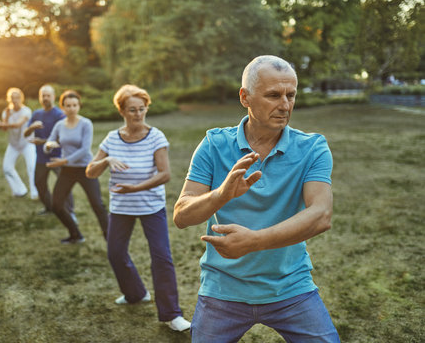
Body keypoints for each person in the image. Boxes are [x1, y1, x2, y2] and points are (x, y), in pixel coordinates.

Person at [173, 55, 340, 342]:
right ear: (245, 97)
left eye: (291, 95)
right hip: (223, 289)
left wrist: (254, 242)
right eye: (273, 95)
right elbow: (182, 215)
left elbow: (321, 215)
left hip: (290, 287)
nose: (285, 105)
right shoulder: (214, 144)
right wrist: (221, 194)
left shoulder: (312, 148)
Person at [86, 84, 191, 332]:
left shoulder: (156, 136)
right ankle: (135, 294)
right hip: (121, 207)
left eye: (142, 109)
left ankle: (172, 314)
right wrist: (106, 159)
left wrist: (136, 188)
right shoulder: (112, 138)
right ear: (122, 111)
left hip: (150, 206)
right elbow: (91, 171)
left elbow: (165, 174)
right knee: (115, 254)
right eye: (132, 110)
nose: (138, 114)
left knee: (161, 258)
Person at [44, 90, 108, 244]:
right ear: (63, 107)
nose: (71, 108)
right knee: (56, 205)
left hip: (86, 169)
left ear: (79, 106)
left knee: (97, 205)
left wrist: (63, 161)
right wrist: (49, 145)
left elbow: (85, 150)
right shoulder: (59, 125)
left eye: (74, 105)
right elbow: (49, 142)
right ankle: (75, 234)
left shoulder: (86, 123)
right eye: (68, 106)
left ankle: (111, 241)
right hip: (68, 171)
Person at [24, 85, 74, 217]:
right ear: (40, 98)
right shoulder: (36, 114)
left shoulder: (59, 115)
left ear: (53, 97)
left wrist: (43, 142)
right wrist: (31, 128)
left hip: (57, 157)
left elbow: (63, 138)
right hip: (41, 158)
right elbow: (26, 134)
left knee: (64, 185)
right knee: (39, 183)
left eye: (48, 95)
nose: (45, 98)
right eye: (43, 96)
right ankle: (49, 207)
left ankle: (70, 211)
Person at [0, 87, 37, 199]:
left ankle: (35, 193)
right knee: (7, 168)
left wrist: (1, 124)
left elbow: (18, 124)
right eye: (12, 98)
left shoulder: (26, 111)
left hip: (27, 143)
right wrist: (6, 117)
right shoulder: (6, 112)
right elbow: (5, 129)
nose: (15, 100)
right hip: (14, 144)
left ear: (21, 98)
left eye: (17, 97)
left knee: (32, 167)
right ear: (9, 99)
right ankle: (19, 190)